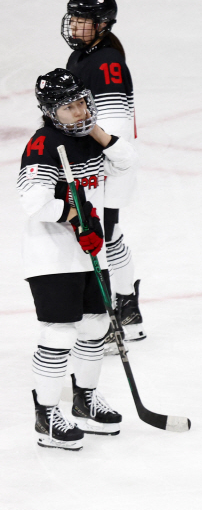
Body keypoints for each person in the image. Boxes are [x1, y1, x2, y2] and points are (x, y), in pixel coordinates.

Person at [19, 69, 135, 448]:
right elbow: (33, 202)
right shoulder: (43, 144)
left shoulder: (90, 138)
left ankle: (85, 399)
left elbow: (124, 163)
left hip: (89, 254)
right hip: (52, 256)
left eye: (84, 102)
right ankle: (47, 414)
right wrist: (73, 215)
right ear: (52, 111)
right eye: (71, 107)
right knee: (60, 332)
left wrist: (98, 132)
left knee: (95, 325)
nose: (82, 111)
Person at [61, 0, 144, 347]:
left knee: (101, 236)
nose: (77, 26)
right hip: (105, 161)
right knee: (109, 234)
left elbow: (115, 124)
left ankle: (115, 314)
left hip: (109, 164)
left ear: (103, 23)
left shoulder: (105, 60)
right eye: (74, 18)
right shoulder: (83, 56)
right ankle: (126, 306)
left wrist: (102, 160)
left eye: (84, 20)